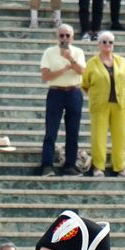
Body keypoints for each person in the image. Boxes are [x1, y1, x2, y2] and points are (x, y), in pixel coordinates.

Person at [36, 24, 85, 177]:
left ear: (72, 37)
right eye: (61, 35)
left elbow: (82, 71)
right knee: (51, 131)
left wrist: (70, 59)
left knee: (73, 131)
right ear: (57, 37)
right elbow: (45, 76)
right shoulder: (49, 52)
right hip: (56, 92)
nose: (64, 38)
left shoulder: (78, 52)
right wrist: (64, 70)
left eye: (67, 35)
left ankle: (70, 164)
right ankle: (47, 165)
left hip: (74, 91)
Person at [81, 32, 125, 178]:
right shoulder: (92, 63)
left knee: (120, 136)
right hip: (100, 104)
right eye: (104, 42)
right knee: (98, 137)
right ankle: (98, 167)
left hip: (119, 104)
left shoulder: (122, 61)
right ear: (98, 44)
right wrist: (95, 96)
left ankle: (120, 167)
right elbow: (85, 84)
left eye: (110, 42)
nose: (107, 45)